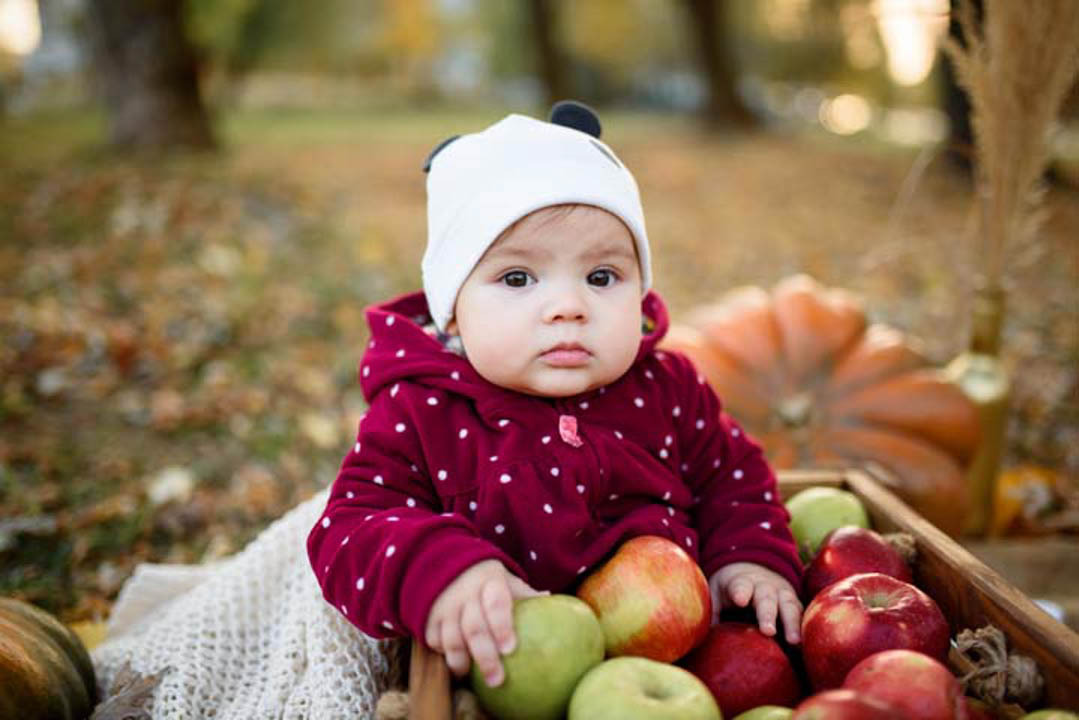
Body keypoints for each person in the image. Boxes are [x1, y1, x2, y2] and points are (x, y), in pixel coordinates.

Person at [307, 101, 804, 690]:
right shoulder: (423, 411)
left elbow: (733, 478)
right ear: (453, 312)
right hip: (508, 669)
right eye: (517, 279)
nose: (568, 307)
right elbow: (348, 529)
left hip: (676, 669)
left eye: (602, 277)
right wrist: (438, 570)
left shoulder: (668, 390)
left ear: (640, 290)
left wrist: (748, 555)